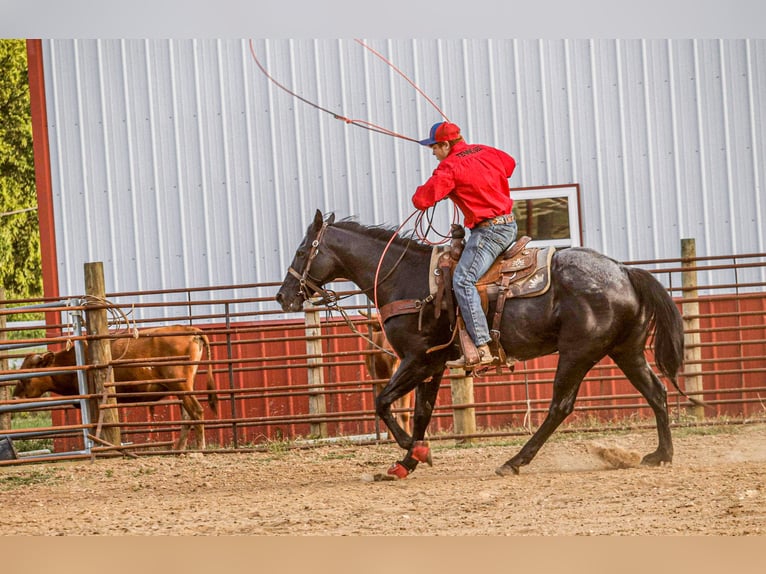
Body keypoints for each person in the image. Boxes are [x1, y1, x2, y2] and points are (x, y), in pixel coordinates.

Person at [412, 121, 517, 369]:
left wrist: (450, 181)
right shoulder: (487, 151)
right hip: (508, 225)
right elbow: (510, 165)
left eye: (435, 148)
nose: (434, 154)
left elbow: (421, 200)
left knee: (462, 280)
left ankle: (482, 346)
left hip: (489, 232)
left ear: (446, 144)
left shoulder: (449, 168)